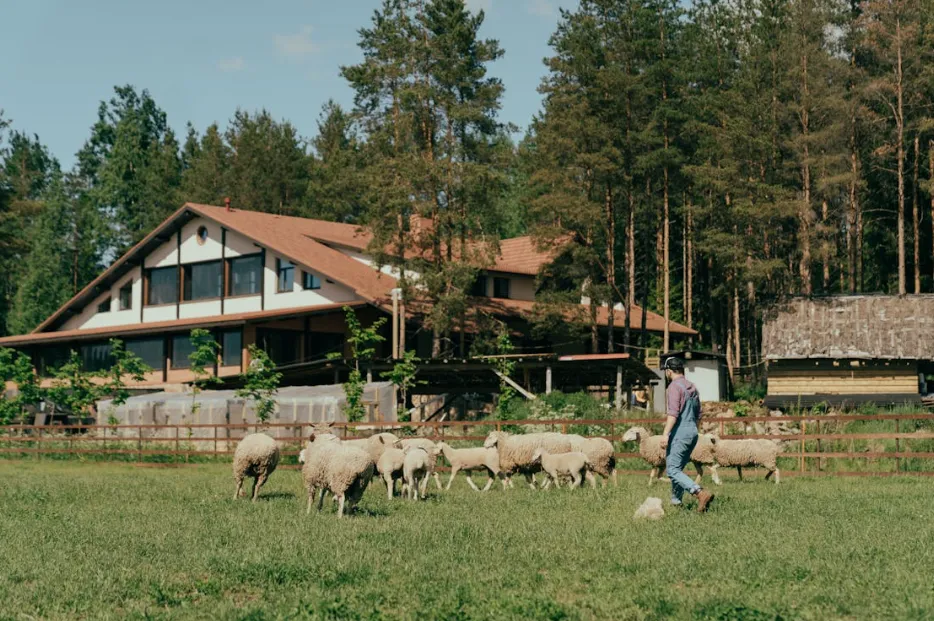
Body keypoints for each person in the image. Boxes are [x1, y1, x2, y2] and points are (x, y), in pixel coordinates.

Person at [660, 357, 715, 512]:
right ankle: (676, 502)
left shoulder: (673, 387)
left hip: (680, 432)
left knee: (672, 470)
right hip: (692, 432)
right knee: (677, 468)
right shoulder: (692, 387)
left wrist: (665, 434)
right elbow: (699, 414)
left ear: (669, 371)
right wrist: (693, 430)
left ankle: (699, 492)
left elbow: (673, 413)